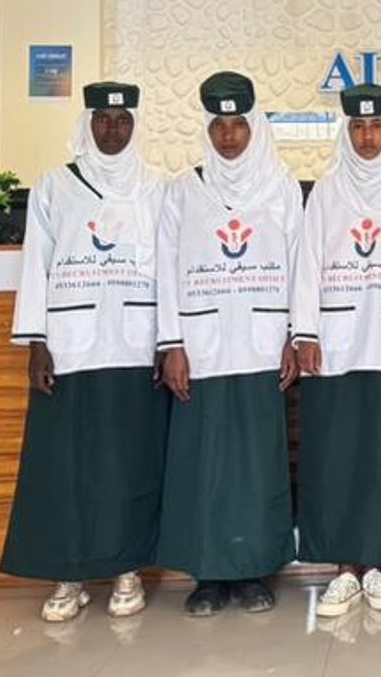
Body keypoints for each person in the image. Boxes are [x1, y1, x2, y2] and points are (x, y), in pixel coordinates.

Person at [1, 81, 170, 622]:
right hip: (71, 347)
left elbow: (169, 270)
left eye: (122, 122)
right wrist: (36, 342)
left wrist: (169, 343)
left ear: (135, 127)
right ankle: (67, 573)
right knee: (65, 466)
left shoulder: (157, 187)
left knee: (129, 462)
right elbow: (36, 265)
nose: (112, 130)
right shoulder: (56, 186)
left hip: (134, 343)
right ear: (88, 124)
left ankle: (127, 570)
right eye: (103, 120)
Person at [154, 72, 303, 616]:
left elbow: (297, 266)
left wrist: (293, 335)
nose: (229, 136)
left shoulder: (281, 186)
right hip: (201, 344)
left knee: (257, 463)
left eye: (239, 124)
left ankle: (254, 571)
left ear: (255, 126)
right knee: (204, 463)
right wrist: (171, 344)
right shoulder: (183, 189)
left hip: (263, 344)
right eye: (219, 125)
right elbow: (164, 271)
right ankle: (209, 575)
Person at [290, 83, 381, 617]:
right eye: (358, 127)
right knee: (337, 456)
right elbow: (307, 263)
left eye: (376, 127)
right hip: (335, 348)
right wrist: (305, 332)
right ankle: (343, 569)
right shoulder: (327, 191)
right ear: (346, 131)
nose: (368, 137)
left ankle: (379, 566)